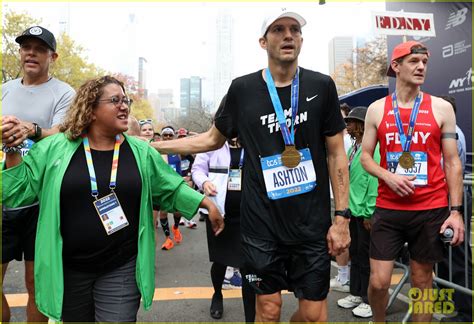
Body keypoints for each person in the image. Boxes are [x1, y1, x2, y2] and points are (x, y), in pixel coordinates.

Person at [152, 9, 350, 322]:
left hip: (310, 225)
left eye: (294, 30)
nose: (288, 35)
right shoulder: (242, 90)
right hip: (261, 226)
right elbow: (210, 140)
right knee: (268, 309)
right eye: (278, 29)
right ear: (263, 41)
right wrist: (154, 147)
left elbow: (337, 154)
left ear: (301, 39)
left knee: (314, 316)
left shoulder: (321, 86)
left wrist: (341, 218)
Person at [2, 75, 223, 322]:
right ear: (91, 109)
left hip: (121, 265)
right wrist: (11, 147)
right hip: (67, 268)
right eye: (115, 100)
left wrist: (205, 203)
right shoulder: (54, 148)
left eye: (125, 100)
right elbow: (17, 191)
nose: (124, 106)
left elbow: (169, 187)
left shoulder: (140, 151)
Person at [360, 41, 464, 323]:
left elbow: (453, 161)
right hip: (389, 209)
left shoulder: (442, 108)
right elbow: (365, 157)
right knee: (380, 282)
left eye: (425, 62)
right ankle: (379, 320)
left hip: (430, 208)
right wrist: (388, 176)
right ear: (396, 66)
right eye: (414, 61)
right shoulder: (377, 109)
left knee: (422, 282)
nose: (421, 67)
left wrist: (456, 212)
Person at [1, 25, 75, 323]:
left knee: (35, 284)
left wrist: (31, 130)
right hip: (5, 195)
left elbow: (62, 133)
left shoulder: (65, 93)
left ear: (52, 56)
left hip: (42, 200)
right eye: (25, 47)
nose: (31, 53)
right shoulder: (4, 89)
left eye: (39, 48)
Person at [191, 134, 256, 321]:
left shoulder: (253, 140)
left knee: (248, 267)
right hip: (219, 214)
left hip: (250, 216)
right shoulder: (214, 144)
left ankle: (250, 317)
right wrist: (204, 182)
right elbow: (197, 169)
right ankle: (217, 294)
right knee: (220, 261)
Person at [336, 107, 379, 318]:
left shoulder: (373, 148)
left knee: (365, 256)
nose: (348, 126)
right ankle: (355, 292)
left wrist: (370, 212)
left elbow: (373, 181)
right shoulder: (355, 147)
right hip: (353, 211)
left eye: (351, 122)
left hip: (365, 213)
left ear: (362, 125)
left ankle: (368, 299)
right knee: (355, 254)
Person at [437, 96, 472, 323]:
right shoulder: (448, 133)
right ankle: (446, 299)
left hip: (453, 201)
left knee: (457, 257)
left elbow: (443, 169)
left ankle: (467, 311)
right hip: (445, 200)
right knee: (444, 256)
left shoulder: (453, 135)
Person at [159, 126, 186, 250]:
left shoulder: (178, 149)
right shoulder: (158, 151)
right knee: (163, 212)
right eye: (166, 135)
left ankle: (175, 227)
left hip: (177, 184)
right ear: (162, 136)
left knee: (178, 211)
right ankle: (168, 238)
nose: (168, 137)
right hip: (164, 185)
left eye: (170, 135)